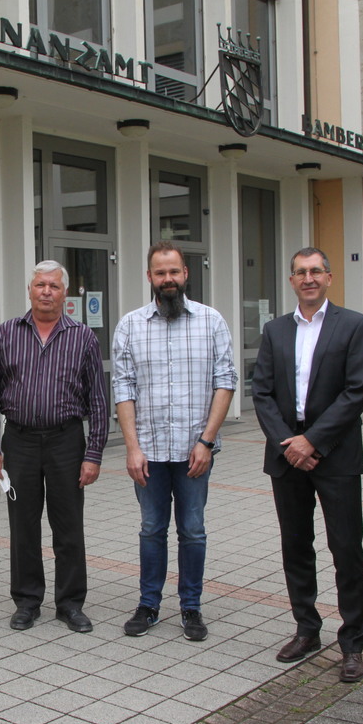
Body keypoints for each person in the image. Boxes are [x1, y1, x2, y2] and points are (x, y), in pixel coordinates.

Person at [251, 247, 363, 682]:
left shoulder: (354, 325)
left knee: (346, 549)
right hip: (287, 455)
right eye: (300, 272)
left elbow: (357, 392)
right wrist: (288, 443)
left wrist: (313, 441)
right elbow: (261, 391)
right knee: (296, 546)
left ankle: (354, 643)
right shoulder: (275, 330)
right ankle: (307, 629)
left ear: (329, 277)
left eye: (316, 271)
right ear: (291, 280)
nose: (308, 278)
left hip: (334, 454)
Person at [112, 241, 237, 642]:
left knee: (193, 530)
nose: (168, 279)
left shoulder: (211, 321)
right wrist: (132, 448)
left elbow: (225, 381)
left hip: (193, 452)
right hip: (147, 452)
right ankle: (149, 604)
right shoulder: (130, 325)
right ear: (149, 277)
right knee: (151, 529)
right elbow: (123, 388)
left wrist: (207, 441)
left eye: (174, 272)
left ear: (186, 275)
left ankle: (191, 607)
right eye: (160, 273)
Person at [0, 261, 108, 633]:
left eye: (53, 285)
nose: (46, 291)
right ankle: (27, 601)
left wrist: (93, 454)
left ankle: (70, 604)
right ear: (30, 290)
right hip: (18, 442)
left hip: (67, 441)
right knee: (23, 525)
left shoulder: (83, 337)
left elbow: (98, 400)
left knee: (68, 526)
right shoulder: (6, 334)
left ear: (64, 293)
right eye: (40, 285)